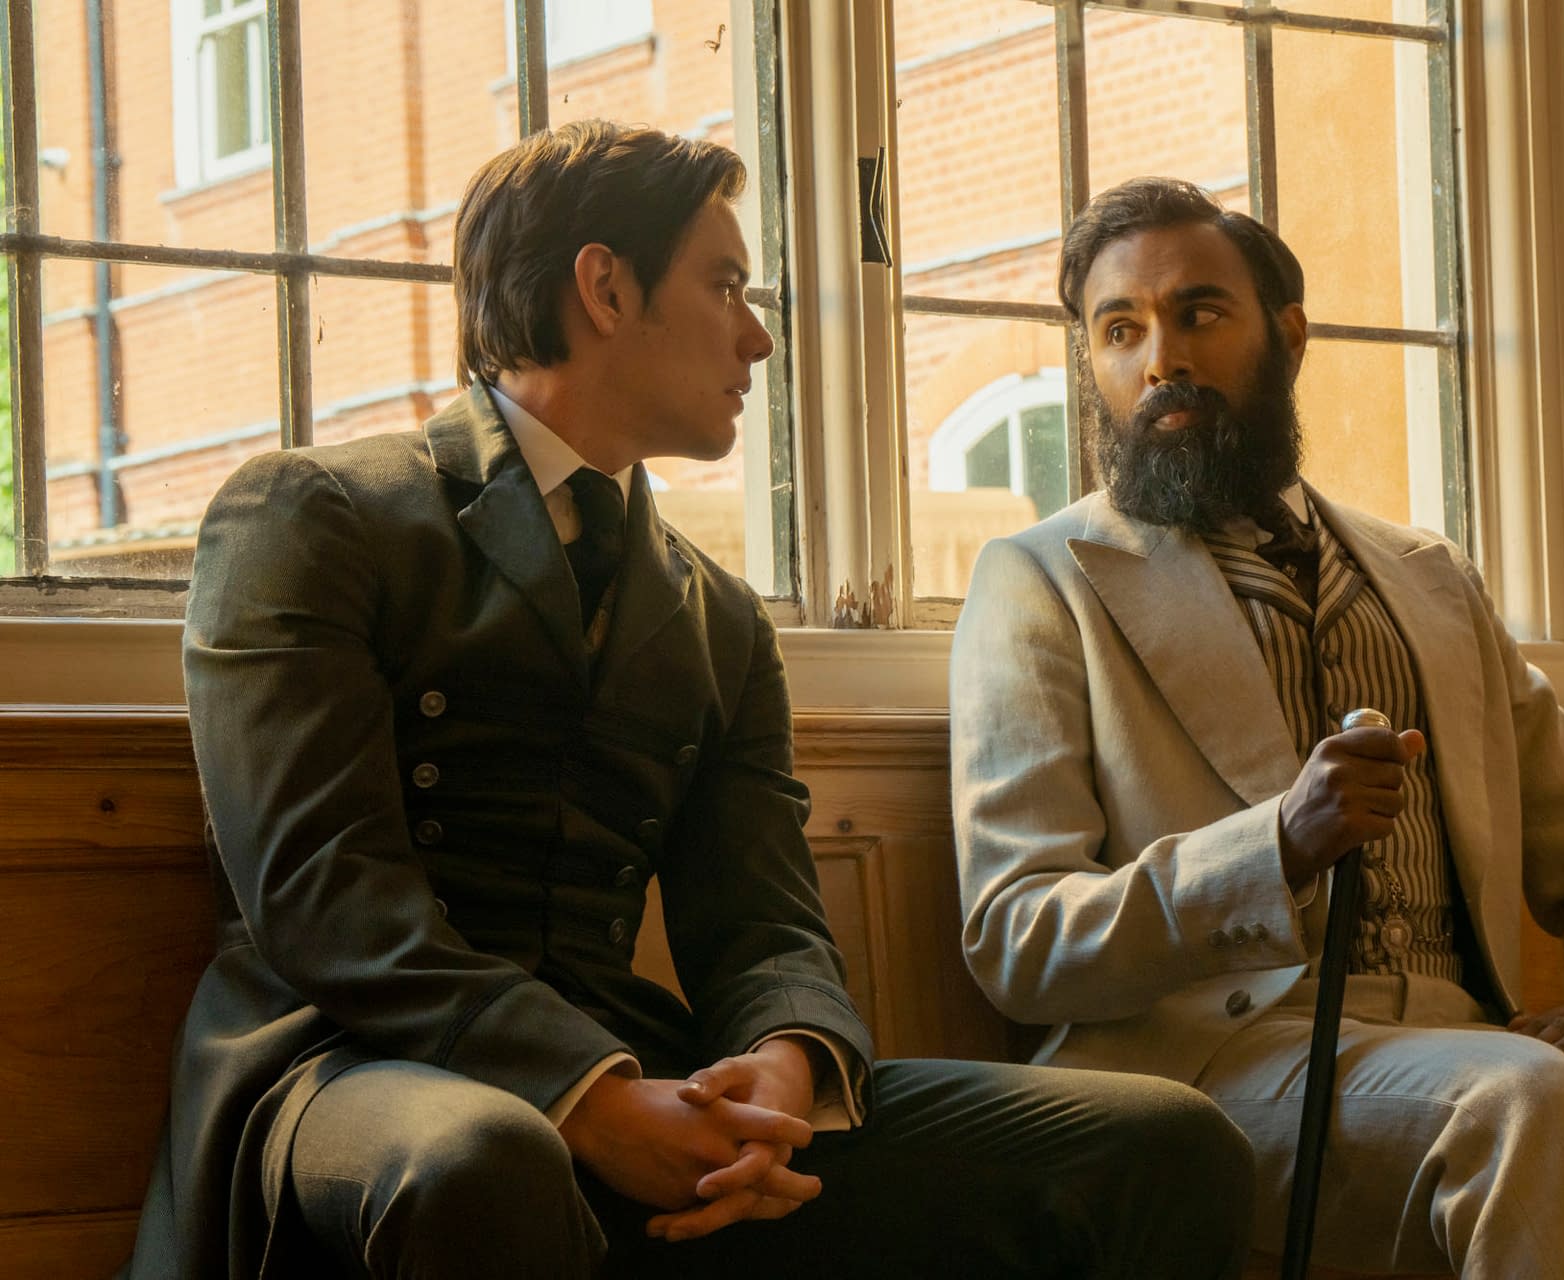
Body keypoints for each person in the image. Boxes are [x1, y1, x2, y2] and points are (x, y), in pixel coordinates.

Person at [122, 125, 1255, 1280]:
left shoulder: (719, 616)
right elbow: (324, 899)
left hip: (639, 1072)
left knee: (1164, 1146)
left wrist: (783, 1062)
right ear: (606, 288)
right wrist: (589, 1096)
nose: (758, 335)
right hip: (350, 1069)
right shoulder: (312, 513)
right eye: (725, 285)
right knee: (486, 1156)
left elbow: (765, 923)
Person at [948, 176, 1564, 1279]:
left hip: (1470, 1046)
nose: (1162, 360)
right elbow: (1019, 937)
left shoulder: (1429, 579)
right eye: (1120, 329)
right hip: (1210, 1068)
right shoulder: (1042, 579)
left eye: (1200, 313)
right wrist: (1274, 848)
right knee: (1521, 1101)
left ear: (1288, 336)